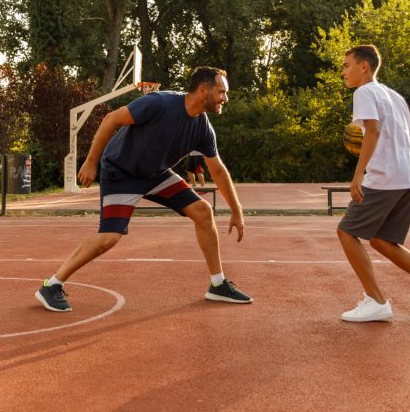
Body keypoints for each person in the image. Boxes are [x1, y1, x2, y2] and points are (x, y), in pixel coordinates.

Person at [36, 66, 252, 312]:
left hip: (155, 174)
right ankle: (51, 285)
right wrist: (91, 161)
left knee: (203, 211)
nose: (225, 98)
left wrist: (237, 210)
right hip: (122, 173)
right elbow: (111, 119)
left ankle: (218, 284)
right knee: (108, 238)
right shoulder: (160, 103)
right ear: (204, 90)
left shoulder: (203, 127)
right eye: (222, 92)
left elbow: (218, 170)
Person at [337, 44, 410, 322]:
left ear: (363, 66)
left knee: (346, 232)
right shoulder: (394, 96)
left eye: (346, 65)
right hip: (408, 176)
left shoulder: (364, 92)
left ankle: (376, 301)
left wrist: (358, 174)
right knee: (382, 239)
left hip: (385, 176)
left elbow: (373, 131)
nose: (343, 72)